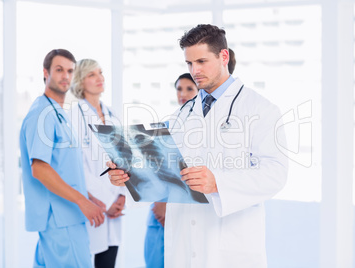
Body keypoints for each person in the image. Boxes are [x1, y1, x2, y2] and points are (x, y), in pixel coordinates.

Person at [108, 24, 288, 267]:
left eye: (202, 61)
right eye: (189, 63)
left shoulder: (260, 109)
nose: (195, 70)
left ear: (224, 56)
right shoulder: (180, 115)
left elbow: (275, 174)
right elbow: (160, 170)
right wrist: (127, 175)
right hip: (183, 245)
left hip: (230, 248)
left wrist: (218, 182)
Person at [19, 49, 106, 267]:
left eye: (69, 71)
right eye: (59, 70)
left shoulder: (58, 113)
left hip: (63, 218)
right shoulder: (42, 113)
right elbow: (39, 168)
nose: (65, 75)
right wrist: (82, 202)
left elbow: (63, 169)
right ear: (45, 73)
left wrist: (88, 196)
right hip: (61, 219)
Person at [69, 59, 126, 268]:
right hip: (94, 203)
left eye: (100, 73)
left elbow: (124, 159)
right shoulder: (74, 116)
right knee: (92, 256)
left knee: (109, 259)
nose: (99, 78)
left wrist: (121, 196)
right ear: (81, 82)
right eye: (92, 75)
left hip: (116, 203)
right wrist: (103, 200)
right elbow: (77, 166)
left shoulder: (113, 116)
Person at [144, 73, 199, 268]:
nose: (182, 93)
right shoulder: (167, 126)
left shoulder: (202, 128)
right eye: (179, 89)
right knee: (155, 259)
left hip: (186, 208)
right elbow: (156, 169)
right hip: (159, 208)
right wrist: (160, 203)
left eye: (189, 89)